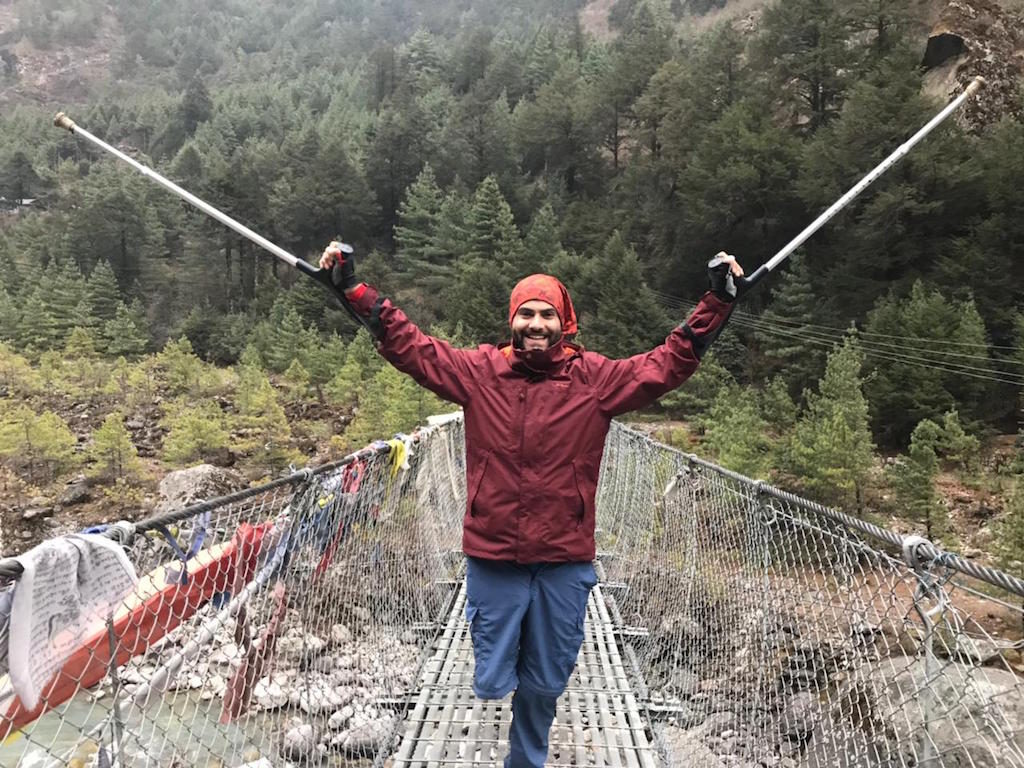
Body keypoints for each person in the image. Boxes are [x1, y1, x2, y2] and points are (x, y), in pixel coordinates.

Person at [320, 242, 743, 768]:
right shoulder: (480, 373)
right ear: (513, 321)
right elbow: (412, 347)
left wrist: (718, 301)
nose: (536, 324)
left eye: (547, 314)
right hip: (494, 552)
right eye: (526, 314)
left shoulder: (596, 380)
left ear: (565, 322)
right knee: (492, 679)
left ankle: (525, 759)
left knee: (546, 680)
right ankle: (507, 672)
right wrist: (353, 290)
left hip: (563, 557)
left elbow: (669, 362)